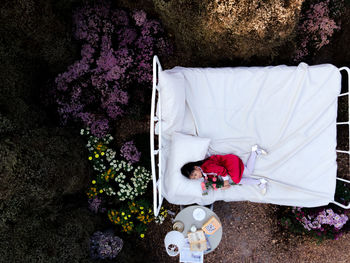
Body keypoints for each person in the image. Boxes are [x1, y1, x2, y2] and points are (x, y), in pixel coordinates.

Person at [181, 145, 268, 195]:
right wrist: (210, 184)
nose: (197, 177)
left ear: (196, 167)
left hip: (229, 163)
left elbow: (222, 171)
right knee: (248, 172)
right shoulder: (204, 171)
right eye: (194, 178)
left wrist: (225, 182)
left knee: (237, 180)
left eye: (195, 174)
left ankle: (260, 182)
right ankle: (255, 152)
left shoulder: (206, 167)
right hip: (230, 162)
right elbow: (212, 175)